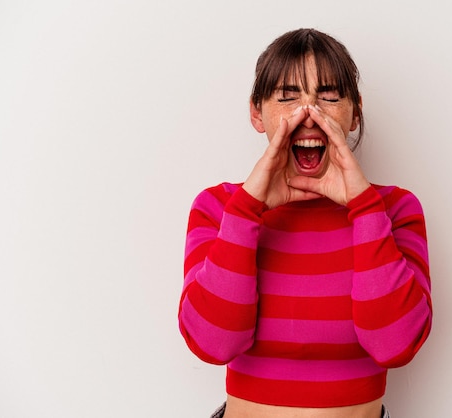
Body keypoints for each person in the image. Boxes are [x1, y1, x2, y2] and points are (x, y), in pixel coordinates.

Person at [179, 28, 432, 418]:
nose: (309, 114)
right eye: (287, 97)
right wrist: (247, 209)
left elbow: (395, 345)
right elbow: (213, 344)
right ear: (256, 112)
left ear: (355, 112)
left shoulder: (395, 208)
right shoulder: (218, 206)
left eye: (329, 97)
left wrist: (365, 209)